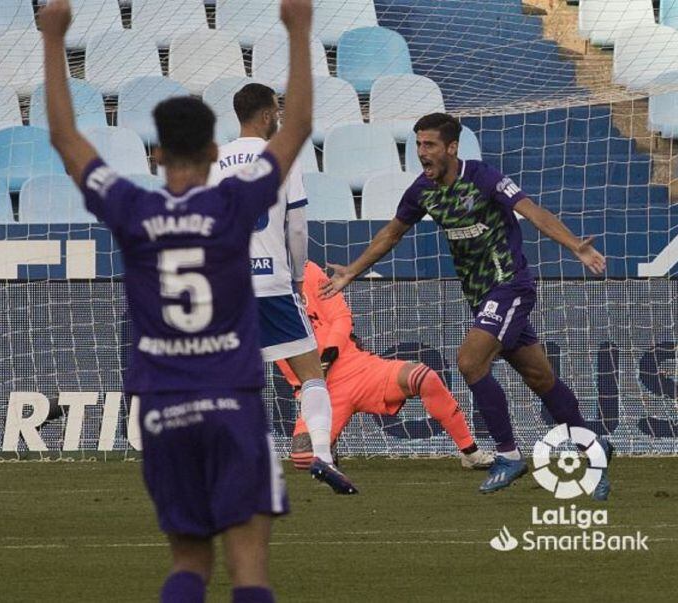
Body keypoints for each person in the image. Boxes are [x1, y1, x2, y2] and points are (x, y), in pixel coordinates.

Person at [41, 1, 313, 599]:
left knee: (189, 563)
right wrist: (298, 29)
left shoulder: (132, 208)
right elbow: (295, 129)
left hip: (164, 407)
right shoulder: (232, 204)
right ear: (215, 154)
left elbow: (64, 137)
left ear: (156, 155)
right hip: (233, 402)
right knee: (249, 569)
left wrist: (54, 38)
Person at [322, 112, 612, 498]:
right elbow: (391, 233)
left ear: (452, 147)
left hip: (509, 285)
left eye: (430, 145)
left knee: (470, 362)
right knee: (541, 378)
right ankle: (593, 446)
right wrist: (352, 271)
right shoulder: (422, 191)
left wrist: (575, 245)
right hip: (480, 296)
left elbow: (533, 212)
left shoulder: (483, 177)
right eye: (418, 145)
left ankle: (508, 455)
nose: (422, 152)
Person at [207, 83, 357, 495]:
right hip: (272, 284)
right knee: (311, 375)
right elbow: (297, 227)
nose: (280, 117)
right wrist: (296, 276)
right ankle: (322, 455)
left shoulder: (214, 161)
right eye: (277, 110)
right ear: (265, 115)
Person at [277, 260, 494, 472]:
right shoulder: (261, 297)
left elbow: (341, 317)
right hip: (321, 389)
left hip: (358, 369)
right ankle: (328, 441)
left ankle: (469, 452)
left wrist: (326, 358)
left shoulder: (308, 270)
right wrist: (305, 382)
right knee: (304, 458)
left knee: (423, 377)